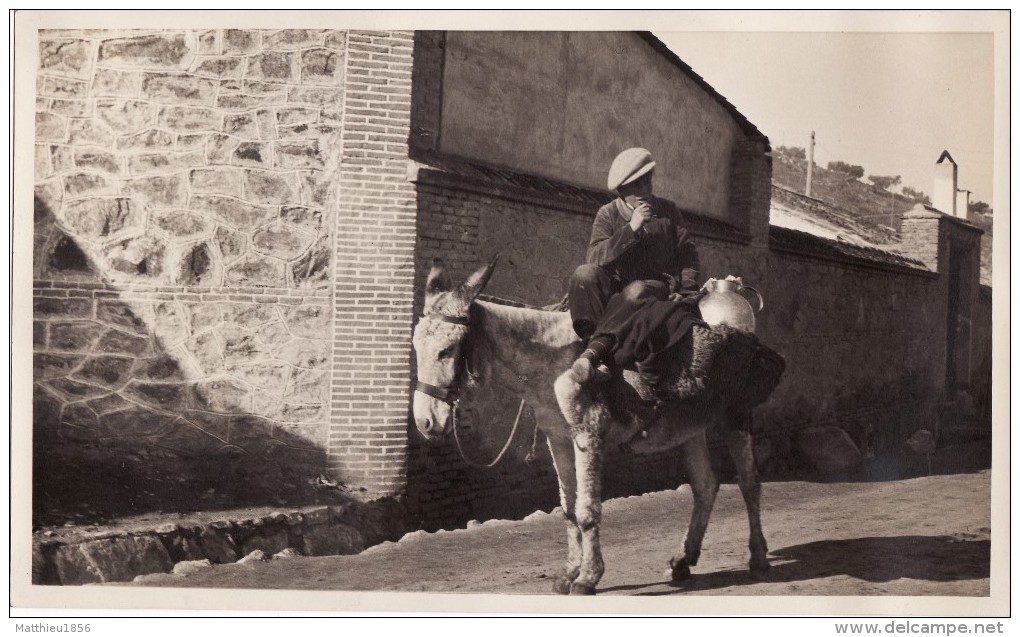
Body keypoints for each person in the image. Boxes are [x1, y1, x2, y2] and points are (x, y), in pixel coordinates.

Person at [568, 147, 702, 385]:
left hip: (654, 290)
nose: (644, 191)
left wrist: (687, 293)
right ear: (622, 191)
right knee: (583, 275)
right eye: (636, 186)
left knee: (636, 290)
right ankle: (600, 352)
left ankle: (595, 354)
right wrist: (631, 229)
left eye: (647, 183)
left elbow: (687, 255)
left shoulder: (668, 211)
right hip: (617, 290)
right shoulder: (608, 214)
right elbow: (594, 256)